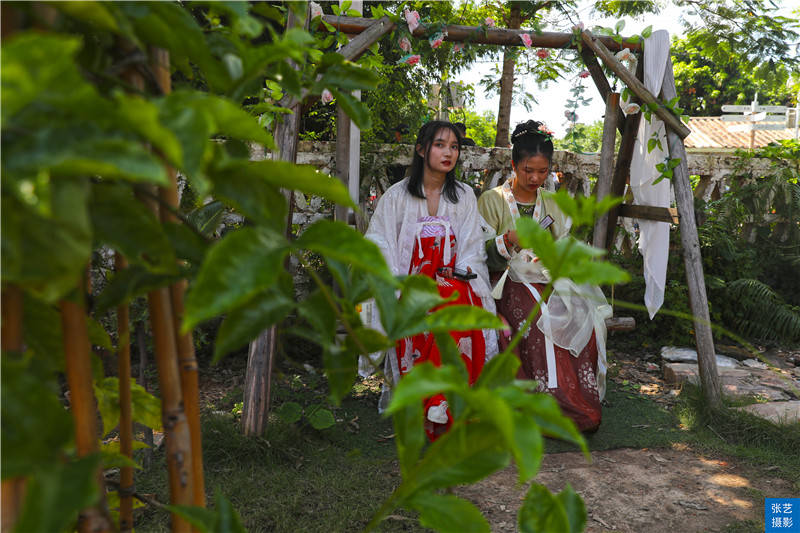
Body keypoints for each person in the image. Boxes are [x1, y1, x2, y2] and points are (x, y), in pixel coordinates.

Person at [364, 120, 498, 440]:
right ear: (422, 150)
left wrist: (461, 271)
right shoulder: (397, 196)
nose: (448, 153)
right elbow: (378, 243)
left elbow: (471, 248)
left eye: (454, 147)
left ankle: (442, 401)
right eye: (440, 145)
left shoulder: (464, 195)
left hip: (453, 282)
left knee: (453, 298)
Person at [477, 119, 611, 432]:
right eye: (528, 171)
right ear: (513, 165)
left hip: (546, 278)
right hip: (505, 283)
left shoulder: (552, 203)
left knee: (582, 316)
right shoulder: (492, 201)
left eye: (542, 171)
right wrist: (507, 241)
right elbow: (477, 254)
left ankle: (577, 400)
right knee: (538, 319)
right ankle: (546, 404)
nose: (536, 178)